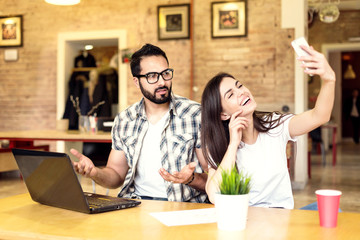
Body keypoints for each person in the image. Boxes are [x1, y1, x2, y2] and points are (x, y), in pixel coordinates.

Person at [70, 43, 208, 203]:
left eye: (166, 73)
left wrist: (191, 178)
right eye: (152, 76)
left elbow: (216, 177)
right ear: (136, 82)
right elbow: (116, 175)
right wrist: (94, 172)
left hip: (182, 206)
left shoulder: (195, 114)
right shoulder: (125, 120)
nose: (162, 82)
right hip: (137, 205)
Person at [201, 45, 335, 208]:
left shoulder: (275, 125)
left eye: (239, 86)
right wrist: (233, 145)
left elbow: (319, 116)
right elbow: (215, 195)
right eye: (230, 95)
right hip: (247, 223)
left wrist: (329, 79)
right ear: (223, 115)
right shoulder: (219, 145)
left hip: (282, 220)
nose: (241, 92)